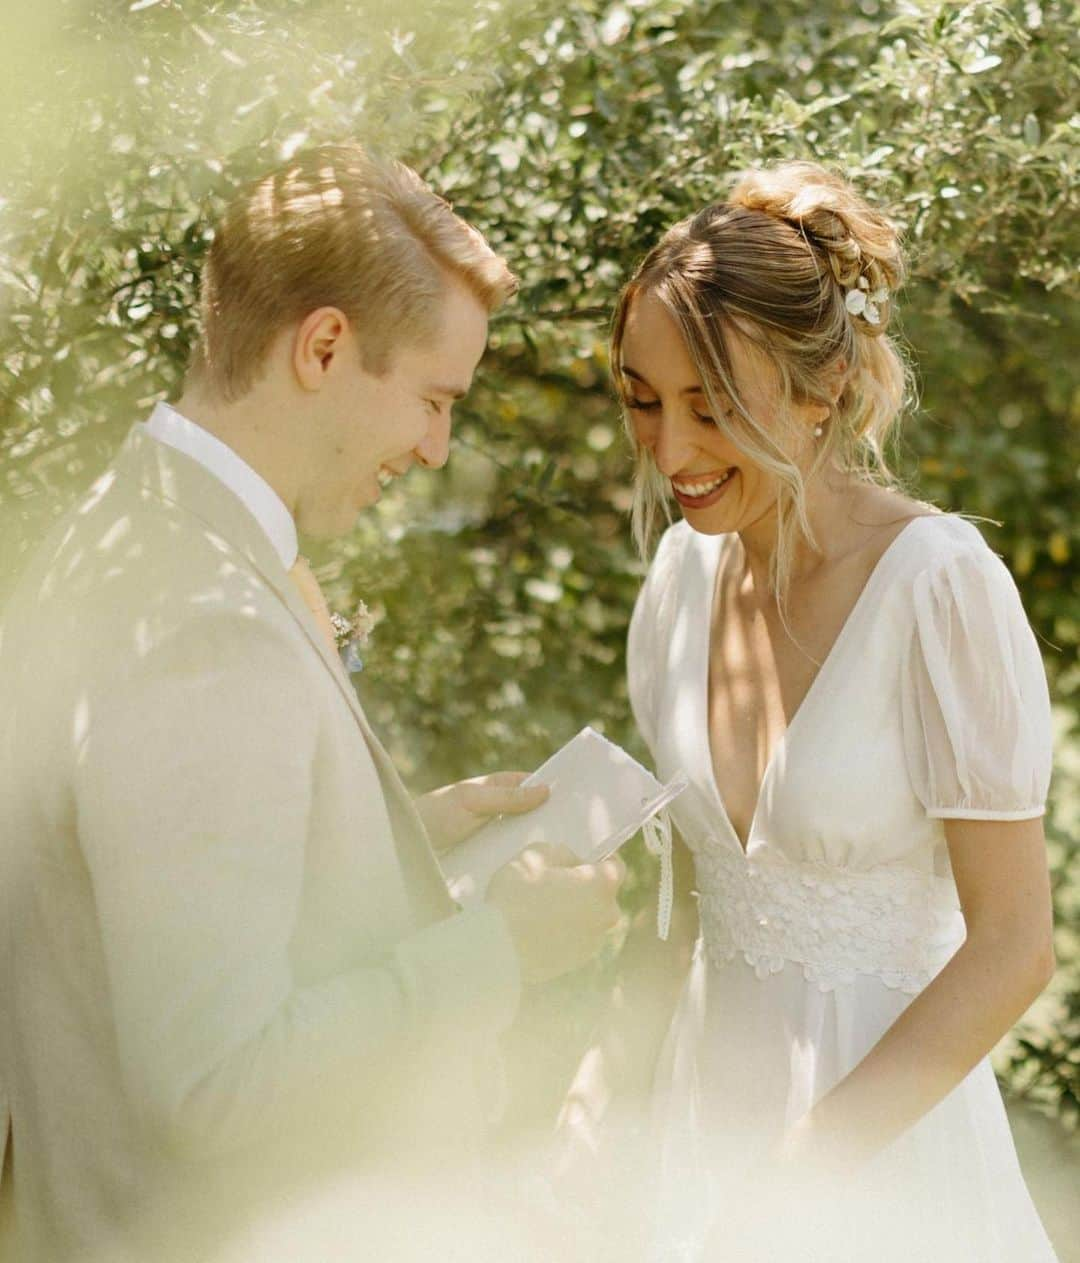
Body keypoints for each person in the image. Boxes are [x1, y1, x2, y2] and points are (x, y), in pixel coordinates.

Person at [0, 142, 625, 1263]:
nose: (435, 448)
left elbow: (128, 876)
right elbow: (214, 1083)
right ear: (325, 346)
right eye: (434, 400)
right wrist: (500, 949)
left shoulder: (136, 522)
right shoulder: (205, 621)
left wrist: (401, 836)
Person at [576, 159, 1060, 1261]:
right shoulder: (680, 585)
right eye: (642, 400)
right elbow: (686, 905)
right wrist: (602, 1091)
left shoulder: (938, 584)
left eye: (713, 408)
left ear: (822, 392)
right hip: (703, 1132)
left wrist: (801, 1187)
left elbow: (1014, 949)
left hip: (882, 1165)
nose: (671, 453)